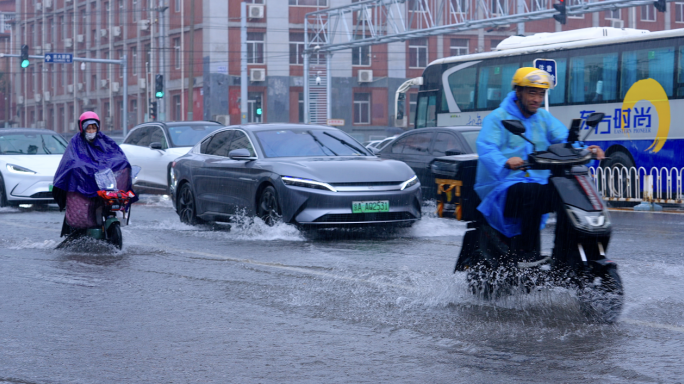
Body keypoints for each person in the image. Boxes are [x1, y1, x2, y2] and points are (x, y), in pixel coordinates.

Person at [474, 67, 605, 260]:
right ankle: (528, 253)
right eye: (532, 92)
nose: (537, 99)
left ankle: (565, 254)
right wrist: (505, 161)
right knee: (532, 193)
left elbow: (563, 140)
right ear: (518, 91)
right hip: (502, 185)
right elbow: (486, 146)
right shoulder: (498, 118)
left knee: (568, 195)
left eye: (541, 93)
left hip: (536, 182)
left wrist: (585, 150)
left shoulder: (543, 118)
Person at [52, 112, 135, 236]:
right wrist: (83, 168)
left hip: (104, 183)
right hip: (83, 182)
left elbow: (116, 155)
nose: (91, 131)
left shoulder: (105, 141)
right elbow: (71, 161)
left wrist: (120, 165)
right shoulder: (76, 142)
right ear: (82, 128)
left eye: (94, 128)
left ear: (98, 128)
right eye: (88, 128)